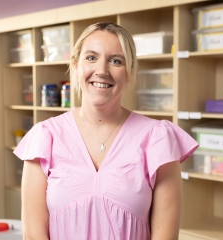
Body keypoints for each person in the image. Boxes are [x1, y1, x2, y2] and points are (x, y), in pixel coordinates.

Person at [13, 22, 197, 239]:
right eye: (91, 57)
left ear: (129, 73)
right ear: (76, 66)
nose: (101, 71)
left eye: (116, 61)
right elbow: (34, 236)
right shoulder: (45, 137)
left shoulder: (157, 139)